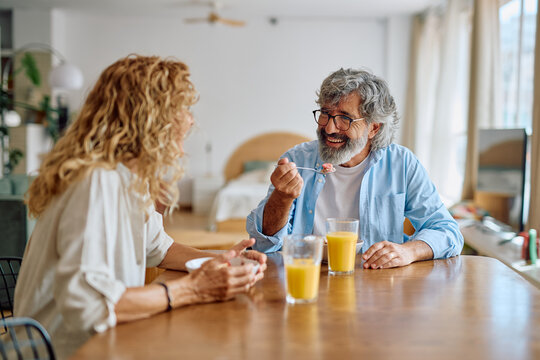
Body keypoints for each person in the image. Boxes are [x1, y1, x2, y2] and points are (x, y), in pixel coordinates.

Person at [14, 55, 267, 359]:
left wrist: (222, 261)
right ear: (150, 117)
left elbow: (158, 247)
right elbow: (89, 308)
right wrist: (194, 290)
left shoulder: (129, 177)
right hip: (59, 351)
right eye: (182, 107)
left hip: (105, 343)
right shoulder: (96, 180)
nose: (190, 119)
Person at [246, 68, 463, 268]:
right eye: (325, 113)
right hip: (308, 276)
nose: (330, 128)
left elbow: (447, 231)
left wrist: (409, 251)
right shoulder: (297, 160)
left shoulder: (401, 164)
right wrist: (281, 198)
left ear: (373, 128)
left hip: (377, 283)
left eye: (344, 119)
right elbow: (263, 244)